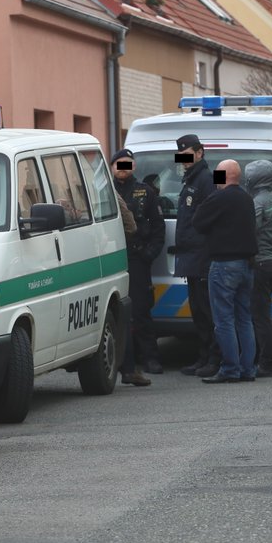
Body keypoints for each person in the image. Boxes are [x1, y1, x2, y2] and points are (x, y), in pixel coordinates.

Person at [192, 159, 258, 383]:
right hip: (246, 266)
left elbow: (198, 221)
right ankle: (247, 369)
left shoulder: (218, 198)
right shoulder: (247, 199)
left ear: (225, 176)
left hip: (223, 266)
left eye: (217, 175)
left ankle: (230, 369)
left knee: (223, 320)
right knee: (244, 319)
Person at [112, 148, 166, 381]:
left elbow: (157, 228)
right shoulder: (103, 190)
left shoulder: (145, 192)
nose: (123, 168)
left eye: (127, 164)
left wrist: (148, 255)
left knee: (141, 310)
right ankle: (122, 362)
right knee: (116, 312)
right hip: (112, 258)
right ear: (112, 167)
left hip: (137, 258)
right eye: (118, 164)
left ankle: (150, 357)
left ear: (133, 167)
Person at [173, 134, 219, 378]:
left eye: (188, 153)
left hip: (203, 256)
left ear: (200, 152)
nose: (184, 158)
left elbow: (211, 218)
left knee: (207, 310)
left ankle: (214, 358)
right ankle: (203, 357)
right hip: (191, 256)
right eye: (181, 154)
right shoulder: (189, 179)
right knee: (198, 312)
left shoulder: (208, 179)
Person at [245, 160, 272, 377]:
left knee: (260, 316)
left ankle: (268, 362)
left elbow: (249, 230)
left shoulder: (258, 202)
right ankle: (267, 359)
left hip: (260, 263)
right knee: (262, 314)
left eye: (249, 176)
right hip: (271, 262)